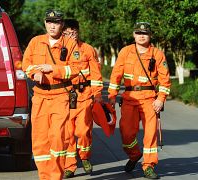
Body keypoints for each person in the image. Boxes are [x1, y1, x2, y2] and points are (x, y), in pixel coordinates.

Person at [22, 10, 88, 180]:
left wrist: (53, 69)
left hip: (61, 96)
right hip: (40, 96)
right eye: (49, 22)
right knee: (40, 140)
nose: (52, 26)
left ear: (62, 24)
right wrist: (34, 73)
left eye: (56, 22)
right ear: (45, 23)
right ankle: (44, 177)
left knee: (58, 138)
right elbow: (26, 64)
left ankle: (55, 176)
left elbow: (75, 69)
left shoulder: (70, 44)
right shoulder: (35, 42)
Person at [108, 22, 171, 179]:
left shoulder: (157, 54)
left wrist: (161, 99)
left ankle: (149, 166)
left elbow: (165, 80)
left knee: (150, 134)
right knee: (126, 132)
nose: (142, 35)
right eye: (138, 32)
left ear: (150, 35)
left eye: (145, 33)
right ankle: (134, 154)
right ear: (134, 35)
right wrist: (111, 95)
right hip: (129, 98)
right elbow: (116, 75)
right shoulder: (125, 51)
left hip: (150, 99)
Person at [62, 19, 103, 178]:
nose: (70, 35)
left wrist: (97, 93)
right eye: (67, 32)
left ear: (78, 32)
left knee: (83, 130)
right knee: (68, 133)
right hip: (65, 95)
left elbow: (96, 74)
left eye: (73, 32)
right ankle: (70, 167)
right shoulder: (59, 50)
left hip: (84, 95)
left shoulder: (87, 49)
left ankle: (85, 157)